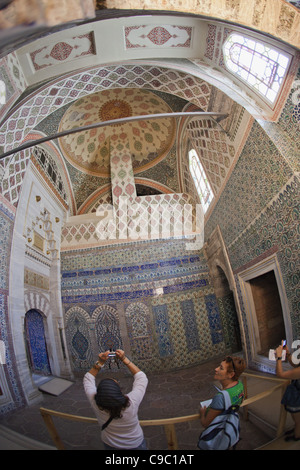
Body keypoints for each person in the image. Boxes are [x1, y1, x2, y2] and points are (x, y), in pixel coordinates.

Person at [83, 349, 148, 450]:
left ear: (98, 393)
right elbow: (141, 377)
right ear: (119, 392)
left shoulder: (96, 403)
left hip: (110, 444)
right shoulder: (131, 403)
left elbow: (88, 378)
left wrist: (100, 362)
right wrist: (124, 359)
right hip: (135, 444)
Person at [199, 356, 246, 429]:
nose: (216, 369)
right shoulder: (240, 385)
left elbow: (205, 423)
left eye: (221, 368)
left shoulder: (220, 397)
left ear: (231, 375)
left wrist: (202, 413)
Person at [275, 341, 300, 442]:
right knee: (295, 416)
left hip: (298, 397)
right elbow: (295, 364)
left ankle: (297, 436)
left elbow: (280, 374)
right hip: (296, 393)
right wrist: (288, 353)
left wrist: (279, 358)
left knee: (298, 420)